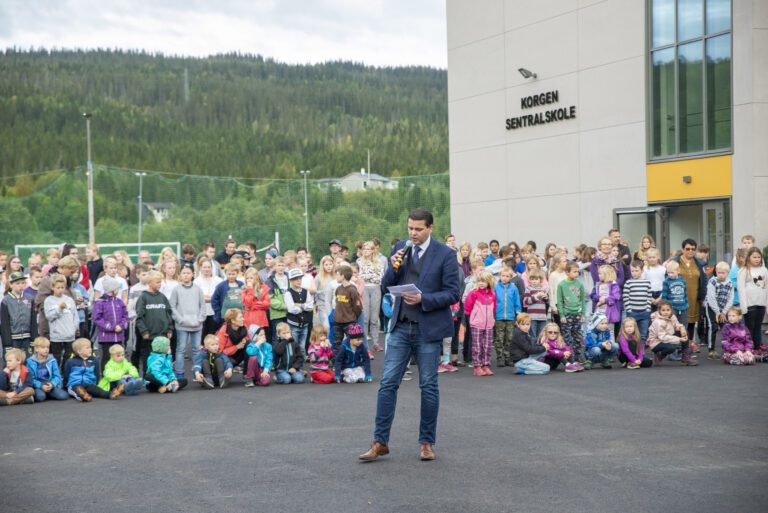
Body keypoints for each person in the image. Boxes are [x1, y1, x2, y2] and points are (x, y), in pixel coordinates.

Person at [360, 208, 460, 463]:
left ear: (430, 228)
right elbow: (386, 286)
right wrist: (394, 267)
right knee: (387, 384)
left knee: (428, 386)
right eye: (410, 228)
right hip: (401, 327)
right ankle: (380, 442)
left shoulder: (445, 255)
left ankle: (426, 443)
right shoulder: (401, 250)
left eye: (418, 229)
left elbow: (453, 293)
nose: (413, 234)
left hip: (428, 328)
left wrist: (424, 298)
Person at [135, 270, 174, 374]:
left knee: (163, 358)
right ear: (150, 282)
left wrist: (170, 329)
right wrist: (144, 331)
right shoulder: (143, 297)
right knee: (148, 358)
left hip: (162, 336)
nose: (160, 284)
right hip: (150, 336)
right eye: (157, 282)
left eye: (160, 282)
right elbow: (139, 317)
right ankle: (148, 379)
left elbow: (169, 313)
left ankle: (162, 379)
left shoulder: (162, 297)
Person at [170, 265, 206, 378]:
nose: (186, 275)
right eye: (184, 273)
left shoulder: (197, 289)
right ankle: (180, 373)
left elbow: (203, 306)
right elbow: (172, 306)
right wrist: (180, 320)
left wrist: (200, 319)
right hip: (182, 326)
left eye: (188, 273)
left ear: (193, 274)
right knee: (181, 349)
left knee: (196, 349)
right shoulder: (176, 289)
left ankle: (197, 372)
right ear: (180, 275)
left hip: (196, 325)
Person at [672, 239, 708, 344]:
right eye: (687, 249)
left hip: (694, 298)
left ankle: (688, 346)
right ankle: (678, 348)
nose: (690, 251)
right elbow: (668, 278)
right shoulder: (675, 262)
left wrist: (702, 297)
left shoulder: (699, 263)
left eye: (693, 249)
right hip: (678, 298)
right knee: (679, 323)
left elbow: (703, 281)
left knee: (691, 323)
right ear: (683, 250)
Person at [91, 276, 129, 371]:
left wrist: (121, 326)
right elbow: (97, 318)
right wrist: (111, 327)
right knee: (107, 358)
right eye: (117, 288)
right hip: (106, 338)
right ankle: (106, 377)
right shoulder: (100, 302)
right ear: (112, 289)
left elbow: (125, 316)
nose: (118, 290)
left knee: (119, 357)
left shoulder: (119, 302)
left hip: (119, 336)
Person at [43, 274, 79, 369]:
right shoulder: (49, 300)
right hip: (56, 335)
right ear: (52, 287)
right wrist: (59, 309)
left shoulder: (69, 300)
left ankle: (65, 374)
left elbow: (75, 316)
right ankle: (56, 374)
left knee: (68, 356)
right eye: (58, 287)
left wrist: (74, 328)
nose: (60, 290)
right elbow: (49, 316)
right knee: (56, 357)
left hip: (70, 334)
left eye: (62, 287)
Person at [464, 270, 496, 376]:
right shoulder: (474, 293)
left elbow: (494, 308)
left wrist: (492, 319)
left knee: (487, 346)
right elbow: (467, 306)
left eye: (484, 281)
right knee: (477, 346)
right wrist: (473, 317)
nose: (481, 283)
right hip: (477, 323)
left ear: (489, 282)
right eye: (479, 281)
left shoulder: (492, 295)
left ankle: (485, 365)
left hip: (489, 324)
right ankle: (477, 366)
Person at [647, 301, 697, 366]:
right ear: (659, 311)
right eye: (663, 310)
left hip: (668, 336)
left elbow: (677, 324)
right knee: (672, 348)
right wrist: (679, 339)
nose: (666, 312)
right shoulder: (658, 322)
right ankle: (659, 355)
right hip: (656, 343)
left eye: (668, 310)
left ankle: (685, 357)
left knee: (685, 332)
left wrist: (681, 328)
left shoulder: (672, 316)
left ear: (671, 310)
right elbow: (663, 337)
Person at [557, 261, 588, 367]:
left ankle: (580, 357)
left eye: (577, 272)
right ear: (567, 272)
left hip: (577, 313)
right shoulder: (561, 285)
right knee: (567, 337)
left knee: (578, 336)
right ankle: (570, 358)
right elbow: (559, 301)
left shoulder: (579, 284)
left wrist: (583, 314)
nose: (577, 274)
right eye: (574, 272)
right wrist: (562, 315)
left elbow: (583, 300)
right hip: (567, 314)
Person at [737, 247, 767, 352]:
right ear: (749, 257)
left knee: (758, 327)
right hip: (750, 304)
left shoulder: (764, 270)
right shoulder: (744, 270)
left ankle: (757, 348)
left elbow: (766, 288)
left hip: (761, 303)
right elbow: (741, 289)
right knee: (749, 328)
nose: (757, 259)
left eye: (759, 257)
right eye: (754, 257)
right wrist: (743, 306)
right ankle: (748, 348)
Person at [1, 271, 37, 357]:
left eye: (23, 283)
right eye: (17, 283)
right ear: (11, 285)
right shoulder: (6, 301)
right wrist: (7, 344)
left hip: (27, 338)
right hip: (13, 339)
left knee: (28, 362)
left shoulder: (29, 298)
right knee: (13, 362)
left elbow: (33, 320)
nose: (21, 285)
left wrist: (33, 339)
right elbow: (4, 324)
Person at [703, 262, 734, 360]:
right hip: (712, 307)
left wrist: (724, 312)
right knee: (713, 327)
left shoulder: (730, 283)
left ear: (727, 273)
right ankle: (711, 350)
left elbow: (731, 298)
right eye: (718, 272)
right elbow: (711, 298)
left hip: (724, 308)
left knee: (725, 328)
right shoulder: (712, 281)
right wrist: (717, 312)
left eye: (723, 273)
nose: (720, 275)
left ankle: (726, 349)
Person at [358, 241, 384, 351]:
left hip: (376, 289)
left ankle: (376, 342)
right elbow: (359, 277)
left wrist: (367, 276)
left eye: (368, 249)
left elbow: (380, 278)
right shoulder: (359, 262)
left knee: (374, 318)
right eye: (364, 249)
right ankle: (365, 345)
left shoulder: (379, 262)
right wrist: (370, 276)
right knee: (365, 318)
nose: (366, 251)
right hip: (364, 289)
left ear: (373, 250)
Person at [493, 268, 521, 368]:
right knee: (499, 338)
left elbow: (517, 301)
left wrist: (518, 313)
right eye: (503, 276)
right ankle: (500, 358)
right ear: (500, 276)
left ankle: (508, 357)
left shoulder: (513, 288)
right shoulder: (496, 287)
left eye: (507, 276)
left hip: (510, 317)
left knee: (509, 338)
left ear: (510, 277)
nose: (505, 278)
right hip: (499, 316)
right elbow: (493, 301)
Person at [332, 264, 362, 355]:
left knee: (352, 342)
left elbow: (357, 307)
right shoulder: (338, 289)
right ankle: (336, 363)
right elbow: (337, 304)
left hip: (349, 321)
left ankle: (352, 361)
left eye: (337, 274)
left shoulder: (352, 290)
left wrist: (353, 317)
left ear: (343, 276)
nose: (336, 276)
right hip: (338, 321)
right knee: (336, 344)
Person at [26, 337, 68, 401]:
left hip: (50, 383)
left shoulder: (52, 360)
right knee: (40, 397)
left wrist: (52, 384)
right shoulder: (30, 362)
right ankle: (43, 393)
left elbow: (57, 376)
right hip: (38, 385)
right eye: (43, 347)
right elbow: (31, 379)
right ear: (36, 349)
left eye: (47, 347)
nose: (46, 349)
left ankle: (49, 393)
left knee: (63, 396)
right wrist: (41, 386)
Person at [284, 268, 313, 353]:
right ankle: (294, 364)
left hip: (304, 324)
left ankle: (301, 364)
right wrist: (304, 306)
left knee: (302, 347)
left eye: (300, 278)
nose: (298, 281)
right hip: (294, 324)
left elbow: (310, 306)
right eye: (295, 279)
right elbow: (292, 309)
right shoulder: (288, 293)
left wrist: (300, 305)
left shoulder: (305, 291)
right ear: (291, 280)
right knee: (294, 346)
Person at [623, 260, 652, 342]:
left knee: (643, 335)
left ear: (642, 271)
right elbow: (626, 297)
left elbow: (649, 296)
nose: (634, 273)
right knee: (631, 334)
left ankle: (640, 353)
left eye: (637, 271)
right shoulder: (628, 283)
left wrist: (648, 308)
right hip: (632, 312)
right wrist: (629, 309)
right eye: (632, 271)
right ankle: (631, 353)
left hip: (644, 312)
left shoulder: (647, 283)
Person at [193, 257, 223, 338]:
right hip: (201, 313)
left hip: (214, 313)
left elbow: (219, 297)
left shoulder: (218, 281)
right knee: (202, 337)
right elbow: (197, 297)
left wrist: (206, 297)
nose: (207, 269)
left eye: (209, 267)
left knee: (213, 336)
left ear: (212, 268)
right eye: (204, 267)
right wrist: (211, 297)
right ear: (201, 268)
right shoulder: (196, 281)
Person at [590, 265, 622, 335]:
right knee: (598, 330)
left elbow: (616, 296)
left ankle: (610, 345)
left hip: (609, 313)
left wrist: (605, 300)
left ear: (607, 274)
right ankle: (600, 345)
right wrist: (598, 298)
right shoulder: (598, 284)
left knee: (609, 331)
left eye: (600, 274)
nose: (598, 275)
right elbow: (592, 294)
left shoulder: (613, 284)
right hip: (599, 312)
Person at [217, 308, 250, 372]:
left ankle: (247, 375)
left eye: (242, 317)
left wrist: (245, 339)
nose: (243, 319)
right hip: (224, 358)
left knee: (249, 344)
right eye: (240, 317)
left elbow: (248, 338)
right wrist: (236, 347)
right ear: (233, 320)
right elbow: (219, 353)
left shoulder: (244, 327)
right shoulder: (223, 331)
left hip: (237, 355)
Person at [523, 270, 548, 341]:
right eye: (532, 279)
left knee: (541, 335)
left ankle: (540, 350)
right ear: (529, 280)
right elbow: (526, 301)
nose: (534, 281)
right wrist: (536, 296)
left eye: (536, 279)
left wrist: (545, 297)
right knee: (532, 335)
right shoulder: (528, 289)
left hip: (542, 317)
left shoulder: (543, 289)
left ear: (540, 280)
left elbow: (546, 302)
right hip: (532, 317)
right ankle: (532, 350)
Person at [662, 260, 688, 326]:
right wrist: (665, 307)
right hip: (672, 308)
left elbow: (685, 293)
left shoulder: (682, 280)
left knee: (684, 325)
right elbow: (664, 296)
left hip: (683, 307)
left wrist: (686, 304)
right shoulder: (666, 282)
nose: (670, 275)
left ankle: (684, 336)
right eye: (668, 273)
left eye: (672, 272)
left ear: (678, 271)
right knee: (672, 325)